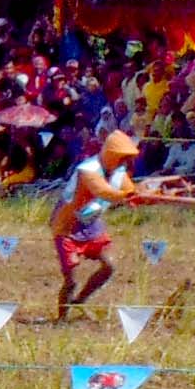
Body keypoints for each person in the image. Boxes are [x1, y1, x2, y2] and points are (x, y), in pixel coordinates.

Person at [49, 127, 140, 317]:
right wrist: (126, 196)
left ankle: (80, 299)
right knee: (71, 279)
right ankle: (61, 319)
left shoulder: (118, 173)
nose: (126, 162)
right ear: (112, 154)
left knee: (109, 266)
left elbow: (132, 191)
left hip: (91, 224)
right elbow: (103, 191)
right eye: (123, 157)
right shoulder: (88, 170)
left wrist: (148, 195)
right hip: (67, 226)